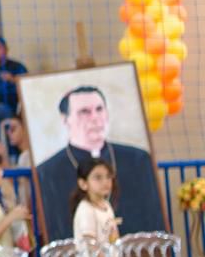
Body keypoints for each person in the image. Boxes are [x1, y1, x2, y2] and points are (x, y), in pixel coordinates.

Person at [37, 85, 163, 242]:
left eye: (99, 109)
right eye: (84, 112)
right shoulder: (47, 172)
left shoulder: (138, 159)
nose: (95, 117)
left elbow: (154, 220)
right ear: (65, 119)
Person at [70, 158, 120, 244]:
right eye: (98, 177)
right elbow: (91, 247)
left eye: (108, 176)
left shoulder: (106, 204)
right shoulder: (86, 210)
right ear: (83, 184)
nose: (105, 182)